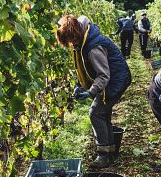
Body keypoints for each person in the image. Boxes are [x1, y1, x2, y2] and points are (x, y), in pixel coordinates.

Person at [56, 15, 132, 168]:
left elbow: (104, 75)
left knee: (95, 113)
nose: (72, 44)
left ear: (77, 32)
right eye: (69, 42)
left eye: (73, 40)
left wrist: (91, 92)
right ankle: (110, 152)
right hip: (112, 79)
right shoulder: (82, 40)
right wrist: (79, 84)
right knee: (103, 114)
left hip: (116, 81)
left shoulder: (93, 46)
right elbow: (82, 67)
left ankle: (103, 156)